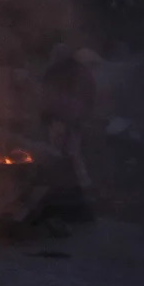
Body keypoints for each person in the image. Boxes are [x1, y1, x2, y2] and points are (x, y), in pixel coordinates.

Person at [40, 43, 97, 205]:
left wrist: (79, 117)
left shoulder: (77, 73)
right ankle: (63, 186)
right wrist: (48, 117)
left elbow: (87, 96)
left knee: (72, 152)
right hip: (59, 120)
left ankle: (82, 187)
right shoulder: (55, 72)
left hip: (69, 120)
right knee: (59, 152)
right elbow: (46, 96)